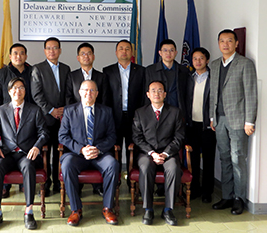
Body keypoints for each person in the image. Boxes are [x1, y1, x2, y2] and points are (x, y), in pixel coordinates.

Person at [0, 77, 49, 230]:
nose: (17, 91)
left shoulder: (34, 110)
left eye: (21, 88)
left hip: (26, 154)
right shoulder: (1, 110)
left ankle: (29, 211)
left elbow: (44, 133)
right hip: (6, 154)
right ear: (9, 92)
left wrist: (37, 146)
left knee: (28, 166)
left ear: (25, 91)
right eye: (14, 88)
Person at [210, 29, 258, 215]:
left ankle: (239, 198)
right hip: (219, 119)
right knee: (224, 157)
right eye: (222, 41)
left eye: (230, 41)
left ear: (236, 43)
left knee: (237, 158)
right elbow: (213, 93)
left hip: (239, 120)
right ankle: (227, 196)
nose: (225, 44)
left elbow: (251, 93)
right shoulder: (214, 65)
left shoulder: (245, 64)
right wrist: (212, 117)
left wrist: (249, 121)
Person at [59, 80, 119, 226]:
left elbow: (112, 136)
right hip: (77, 154)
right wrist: (81, 149)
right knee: (66, 164)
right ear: (79, 92)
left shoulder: (106, 111)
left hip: (99, 154)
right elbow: (63, 136)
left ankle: (107, 208)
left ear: (97, 94)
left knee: (113, 164)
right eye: (85, 90)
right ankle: (76, 210)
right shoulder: (69, 111)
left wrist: (97, 149)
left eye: (92, 90)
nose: (88, 93)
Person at [132, 80, 185, 226]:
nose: (157, 93)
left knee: (174, 168)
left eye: (160, 90)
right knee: (145, 167)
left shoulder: (175, 112)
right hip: (147, 153)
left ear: (165, 94)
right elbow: (137, 138)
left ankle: (168, 209)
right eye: (153, 90)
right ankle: (148, 209)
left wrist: (166, 154)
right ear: (148, 94)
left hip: (169, 153)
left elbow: (179, 137)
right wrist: (152, 153)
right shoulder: (140, 113)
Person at [145, 38, 190, 196]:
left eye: (172, 50)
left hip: (177, 116)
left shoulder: (183, 71)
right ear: (160, 53)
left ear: (176, 53)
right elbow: (148, 94)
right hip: (156, 116)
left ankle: (172, 186)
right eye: (165, 50)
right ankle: (158, 186)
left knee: (174, 148)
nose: (168, 53)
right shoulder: (150, 70)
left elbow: (187, 95)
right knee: (157, 145)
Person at [65, 42, 108, 196]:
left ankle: (98, 187)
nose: (86, 56)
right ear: (78, 57)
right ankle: (77, 188)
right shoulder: (71, 76)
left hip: (98, 121)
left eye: (89, 53)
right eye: (83, 54)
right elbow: (68, 98)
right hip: (78, 120)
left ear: (94, 56)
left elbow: (104, 99)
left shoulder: (102, 76)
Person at [0, 43, 34, 198]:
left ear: (26, 56)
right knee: (6, 151)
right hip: (6, 120)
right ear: (10, 56)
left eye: (22, 53)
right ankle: (5, 186)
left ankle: (25, 184)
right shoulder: (1, 73)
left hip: (28, 118)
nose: (18, 56)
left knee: (25, 149)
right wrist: (0, 120)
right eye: (15, 53)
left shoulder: (32, 72)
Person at [31, 37, 71, 196]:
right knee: (45, 152)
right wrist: (51, 110)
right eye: (49, 48)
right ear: (45, 51)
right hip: (45, 118)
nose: (52, 51)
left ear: (60, 50)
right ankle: (45, 184)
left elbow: (69, 92)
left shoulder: (66, 69)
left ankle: (58, 182)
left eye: (55, 48)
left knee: (60, 151)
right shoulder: (37, 69)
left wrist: (64, 110)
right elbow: (37, 95)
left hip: (63, 118)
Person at [102, 39, 145, 178]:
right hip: (114, 117)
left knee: (134, 149)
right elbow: (105, 96)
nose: (124, 51)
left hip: (135, 118)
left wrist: (140, 116)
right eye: (121, 48)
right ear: (116, 52)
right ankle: (116, 180)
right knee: (115, 150)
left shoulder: (141, 71)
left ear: (131, 52)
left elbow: (144, 96)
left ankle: (134, 182)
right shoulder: (107, 71)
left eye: (127, 49)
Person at [186, 47, 216, 203]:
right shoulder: (188, 78)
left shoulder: (214, 77)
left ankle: (207, 191)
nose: (198, 61)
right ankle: (195, 188)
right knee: (194, 159)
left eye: (201, 58)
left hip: (208, 126)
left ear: (207, 60)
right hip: (192, 125)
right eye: (195, 58)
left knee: (209, 159)